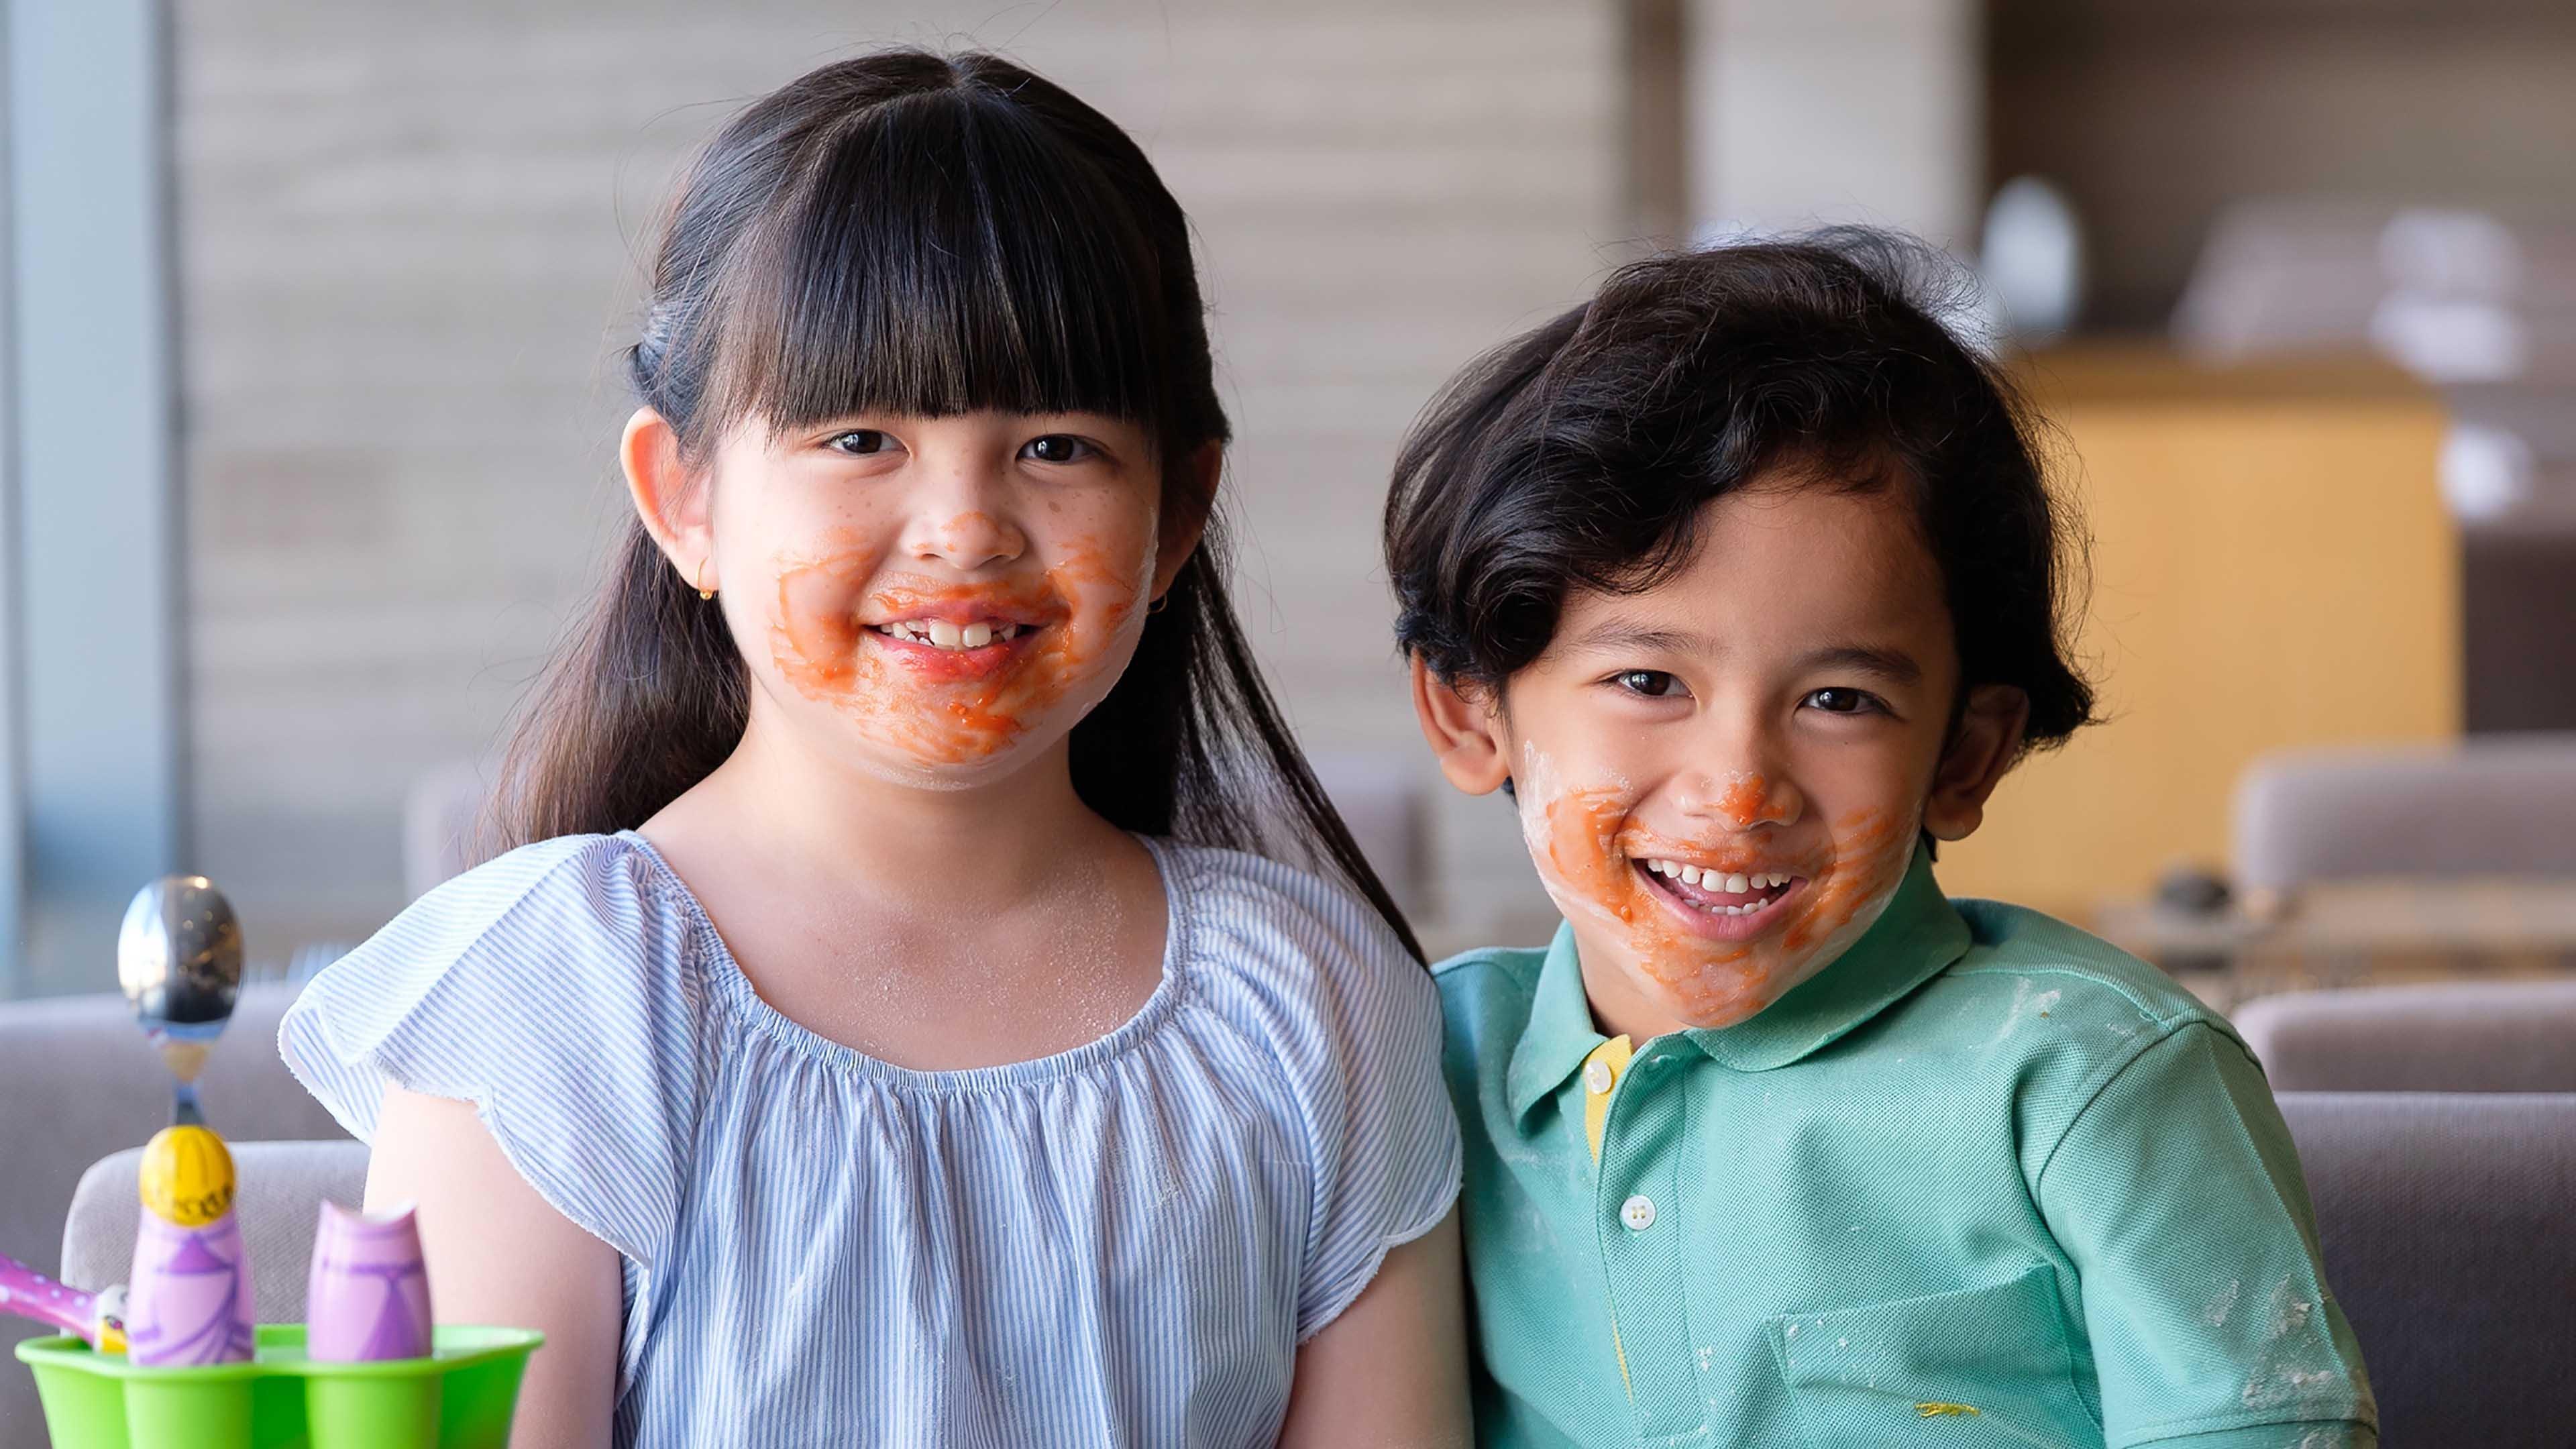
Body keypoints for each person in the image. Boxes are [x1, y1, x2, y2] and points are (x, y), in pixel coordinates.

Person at [282, 49, 1464, 1448]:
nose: (964, 529)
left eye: (1059, 446)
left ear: (1180, 513)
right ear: (687, 499)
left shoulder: (1316, 1007)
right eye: (861, 436)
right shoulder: (554, 1008)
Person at [1385, 232, 2374, 1448]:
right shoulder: (1415, 1071)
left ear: (1964, 756)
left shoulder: (2087, 1079)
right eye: (1649, 680)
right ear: (1471, 711)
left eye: (1839, 701)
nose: (1740, 790)